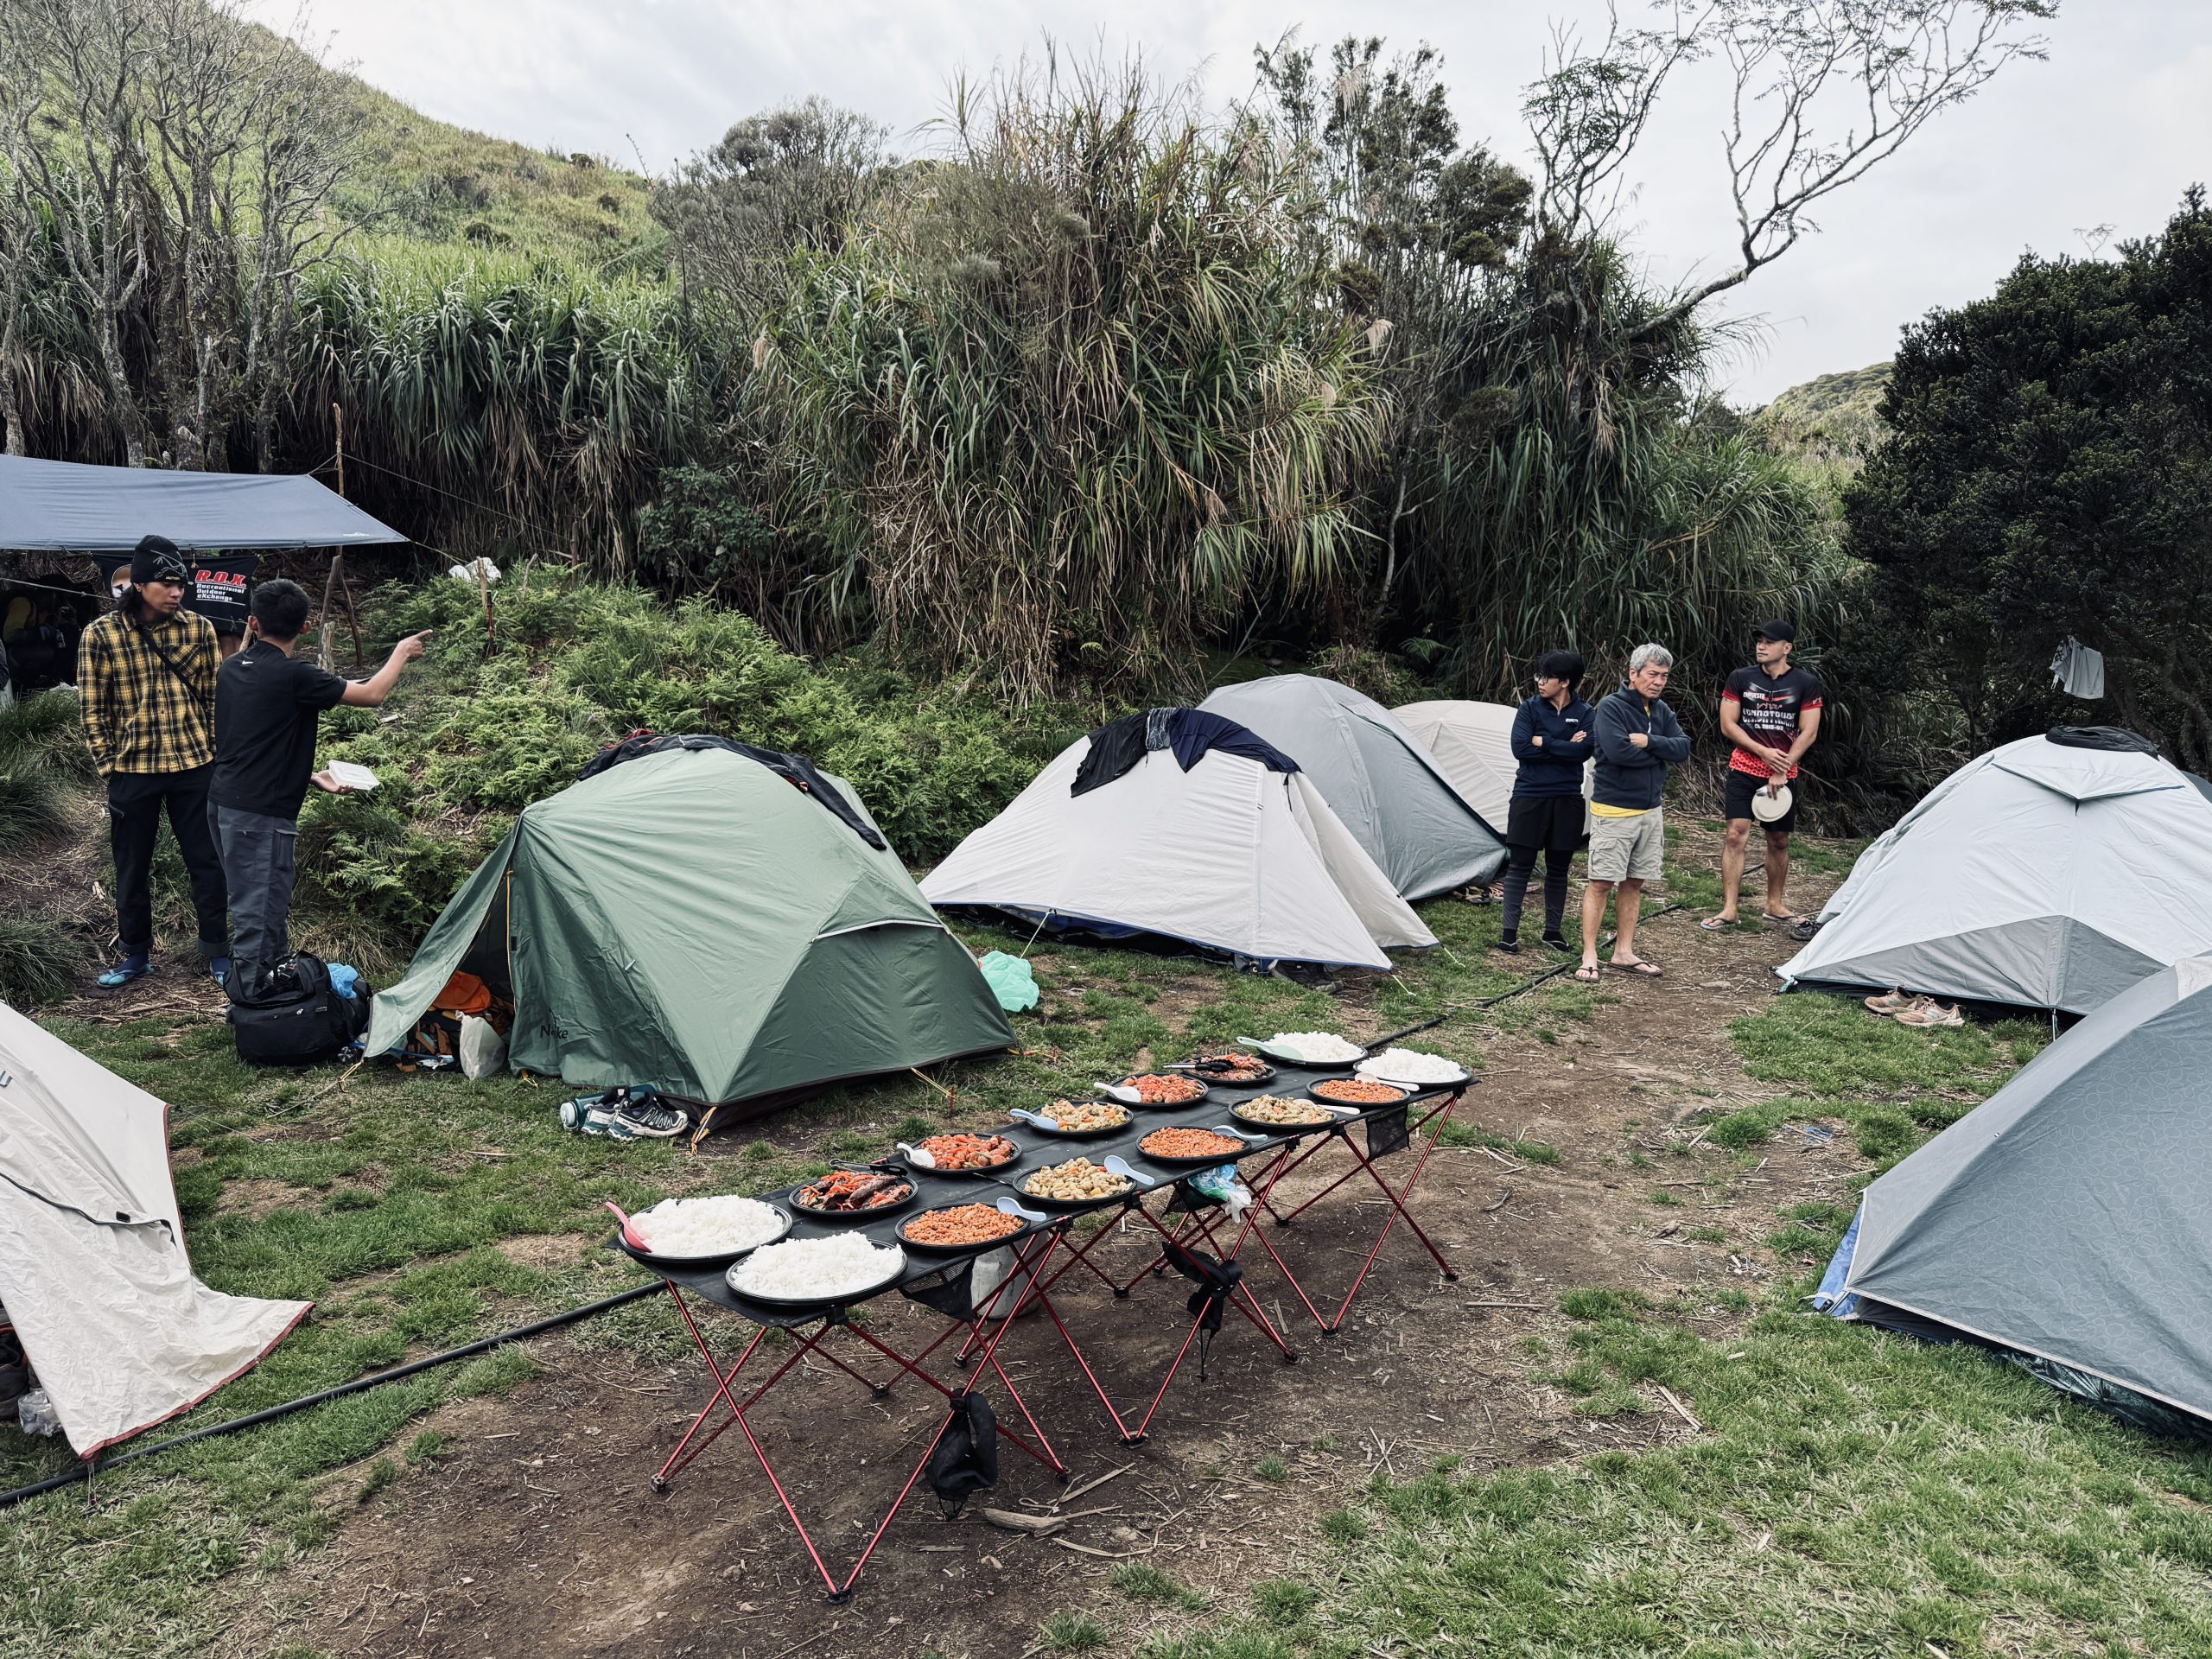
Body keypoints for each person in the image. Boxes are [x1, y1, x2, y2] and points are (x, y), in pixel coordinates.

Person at [210, 579, 430, 995]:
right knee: (258, 911)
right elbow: (371, 694)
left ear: (253, 623)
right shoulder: (296, 675)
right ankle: (253, 1007)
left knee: (264, 903)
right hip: (261, 814)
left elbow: (250, 741)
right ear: (306, 627)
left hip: (224, 802)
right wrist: (401, 652)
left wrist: (310, 777)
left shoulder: (232, 668)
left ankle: (271, 990)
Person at [79, 536, 232, 989]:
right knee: (131, 867)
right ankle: (136, 956)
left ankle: (218, 953)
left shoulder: (199, 629)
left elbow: (214, 697)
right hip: (132, 772)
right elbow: (93, 709)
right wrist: (110, 767)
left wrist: (215, 753)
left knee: (207, 862)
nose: (176, 592)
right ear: (139, 585)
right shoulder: (100, 635)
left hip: (193, 765)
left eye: (181, 584)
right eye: (166, 584)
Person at [1579, 643, 1691, 983]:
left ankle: (1624, 952)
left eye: (1664, 676)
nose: (1658, 682)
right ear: (1633, 673)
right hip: (1615, 809)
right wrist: (1660, 751)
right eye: (1652, 674)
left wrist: (1650, 742)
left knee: (1634, 882)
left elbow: (1683, 747)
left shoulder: (1661, 711)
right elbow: (1618, 753)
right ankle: (1589, 955)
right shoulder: (1610, 707)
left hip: (1650, 811)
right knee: (1601, 882)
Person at [1706, 620, 1824, 934]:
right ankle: (1730, 908)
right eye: (1759, 640)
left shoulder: (1806, 683)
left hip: (1783, 775)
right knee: (1735, 835)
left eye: (1769, 642)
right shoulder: (1740, 678)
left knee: (1779, 840)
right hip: (1744, 767)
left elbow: (1809, 731)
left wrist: (1781, 768)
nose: (1761, 645)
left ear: (1787, 648)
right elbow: (1728, 725)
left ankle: (1774, 905)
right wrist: (1762, 752)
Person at [1493, 650, 1596, 956]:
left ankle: (1552, 931)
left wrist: (1545, 741)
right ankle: (1509, 933)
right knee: (1520, 866)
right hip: (1529, 795)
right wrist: (1563, 744)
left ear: (1565, 682)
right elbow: (1521, 748)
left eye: (1546, 676)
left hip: (1567, 798)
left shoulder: (1586, 712)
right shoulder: (1529, 709)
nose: (1539, 682)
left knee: (1558, 868)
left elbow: (1583, 752)